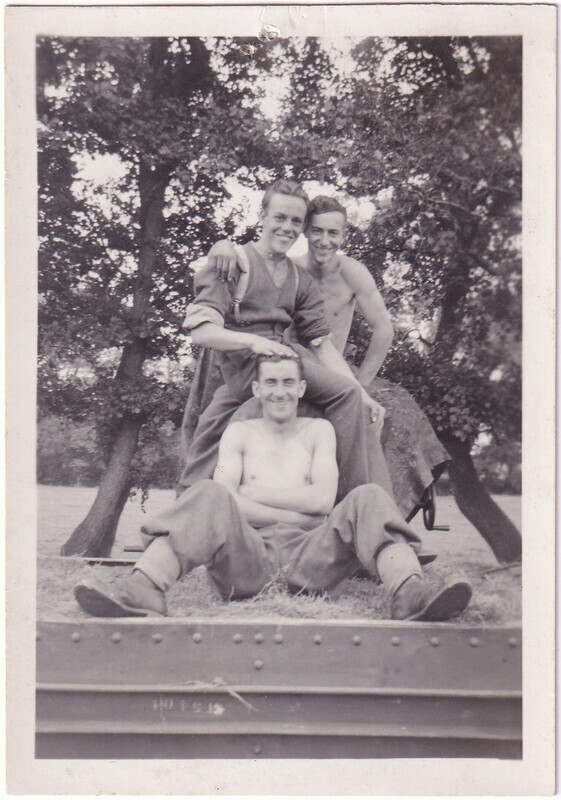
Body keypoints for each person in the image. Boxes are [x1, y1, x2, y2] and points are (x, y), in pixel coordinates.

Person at [74, 354, 472, 621]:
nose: (279, 391)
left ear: (301, 389)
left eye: (288, 383)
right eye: (271, 383)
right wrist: (292, 510)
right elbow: (223, 500)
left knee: (368, 496)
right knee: (209, 494)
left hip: (311, 559)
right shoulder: (239, 433)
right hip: (247, 560)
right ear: (257, 390)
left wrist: (251, 498)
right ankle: (143, 589)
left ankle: (410, 592)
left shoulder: (320, 430)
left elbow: (320, 502)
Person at [205, 195, 449, 517]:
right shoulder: (290, 270)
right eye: (317, 231)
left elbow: (384, 331)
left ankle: (388, 515)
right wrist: (220, 245)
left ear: (344, 235)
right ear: (305, 231)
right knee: (217, 417)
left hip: (333, 365)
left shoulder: (353, 273)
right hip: (288, 361)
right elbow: (248, 264)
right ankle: (210, 504)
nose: (324, 241)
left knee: (392, 416)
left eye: (333, 233)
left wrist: (361, 385)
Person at [178, 179, 390, 504]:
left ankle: (361, 510)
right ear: (262, 216)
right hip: (246, 364)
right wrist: (251, 344)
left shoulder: (298, 277)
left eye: (296, 221)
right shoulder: (234, 263)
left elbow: (321, 343)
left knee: (349, 396)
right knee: (211, 429)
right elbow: (201, 332)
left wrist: (363, 394)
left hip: (283, 360)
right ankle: (361, 507)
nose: (287, 228)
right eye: (280, 218)